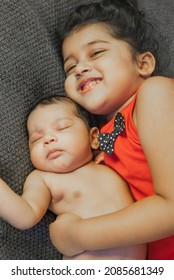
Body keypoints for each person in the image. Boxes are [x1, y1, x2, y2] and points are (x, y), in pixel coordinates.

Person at [49, 0, 174, 260]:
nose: (80, 69)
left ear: (144, 64)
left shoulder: (155, 93)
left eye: (96, 53)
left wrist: (78, 235)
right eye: (70, 68)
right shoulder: (97, 140)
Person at [0, 95, 146, 260]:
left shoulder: (109, 160)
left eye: (62, 127)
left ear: (93, 138)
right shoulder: (44, 179)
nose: (48, 139)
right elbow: (25, 216)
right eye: (37, 139)